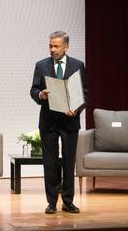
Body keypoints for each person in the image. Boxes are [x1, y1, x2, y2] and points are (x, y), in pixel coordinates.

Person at [30, 30, 88, 214]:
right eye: (50, 46)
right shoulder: (41, 65)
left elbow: (85, 94)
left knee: (69, 161)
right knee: (50, 162)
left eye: (56, 46)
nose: (53, 49)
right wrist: (41, 95)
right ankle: (52, 202)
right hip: (49, 122)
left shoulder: (78, 65)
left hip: (70, 121)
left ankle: (68, 201)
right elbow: (33, 90)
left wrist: (77, 109)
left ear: (66, 47)